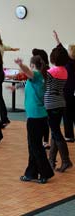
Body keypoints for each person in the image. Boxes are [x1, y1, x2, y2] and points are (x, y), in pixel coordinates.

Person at [15, 56, 54, 184]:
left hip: (35, 118)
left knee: (35, 147)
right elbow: (27, 78)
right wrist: (16, 87)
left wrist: (21, 65)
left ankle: (45, 173)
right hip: (39, 116)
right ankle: (31, 173)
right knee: (33, 146)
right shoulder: (41, 76)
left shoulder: (36, 75)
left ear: (32, 65)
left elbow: (28, 72)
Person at [45, 33, 73, 172]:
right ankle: (51, 161)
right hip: (60, 103)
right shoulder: (64, 70)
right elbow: (65, 56)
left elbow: (42, 79)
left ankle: (66, 160)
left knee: (56, 132)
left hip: (52, 104)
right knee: (55, 131)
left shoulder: (53, 71)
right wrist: (57, 41)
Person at [53, 31, 75, 143]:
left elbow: (61, 50)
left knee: (67, 114)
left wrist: (57, 40)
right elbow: (62, 49)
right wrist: (57, 40)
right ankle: (69, 135)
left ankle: (69, 135)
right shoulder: (70, 61)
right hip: (72, 91)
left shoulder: (67, 61)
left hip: (67, 91)